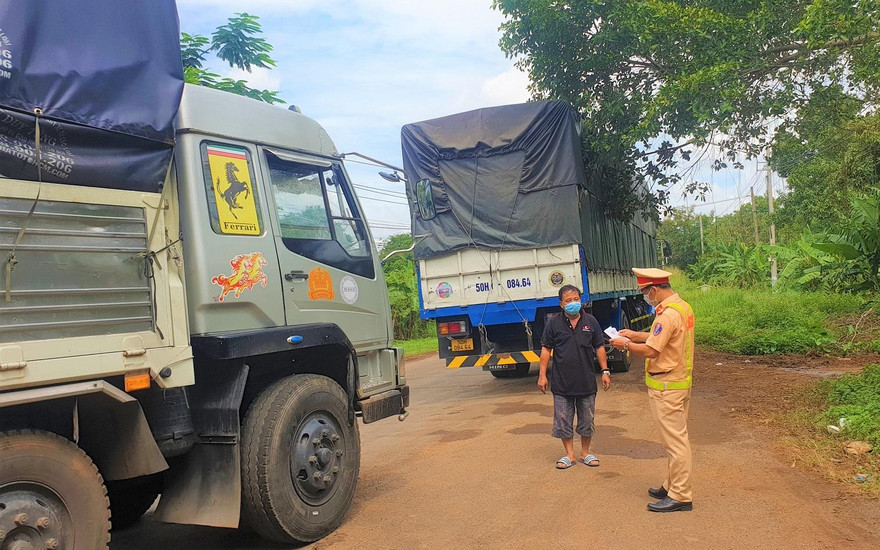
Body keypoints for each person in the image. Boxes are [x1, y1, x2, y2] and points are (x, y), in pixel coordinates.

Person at [609, 268, 695, 512]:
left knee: (676, 443)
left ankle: (680, 495)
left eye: (645, 292)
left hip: (667, 386)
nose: (645, 296)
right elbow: (665, 337)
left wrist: (625, 344)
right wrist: (636, 334)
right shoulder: (681, 307)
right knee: (675, 440)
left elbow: (652, 351)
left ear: (654, 289)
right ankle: (671, 484)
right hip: (679, 381)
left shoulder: (667, 315)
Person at [538, 284, 611, 470]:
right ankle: (569, 455)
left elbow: (599, 347)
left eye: (576, 299)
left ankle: (585, 453)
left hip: (586, 381)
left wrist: (605, 371)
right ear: (561, 304)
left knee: (587, 419)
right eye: (568, 300)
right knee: (563, 420)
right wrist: (542, 375)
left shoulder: (591, 321)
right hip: (562, 383)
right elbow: (546, 348)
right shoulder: (553, 323)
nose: (573, 303)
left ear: (581, 299)